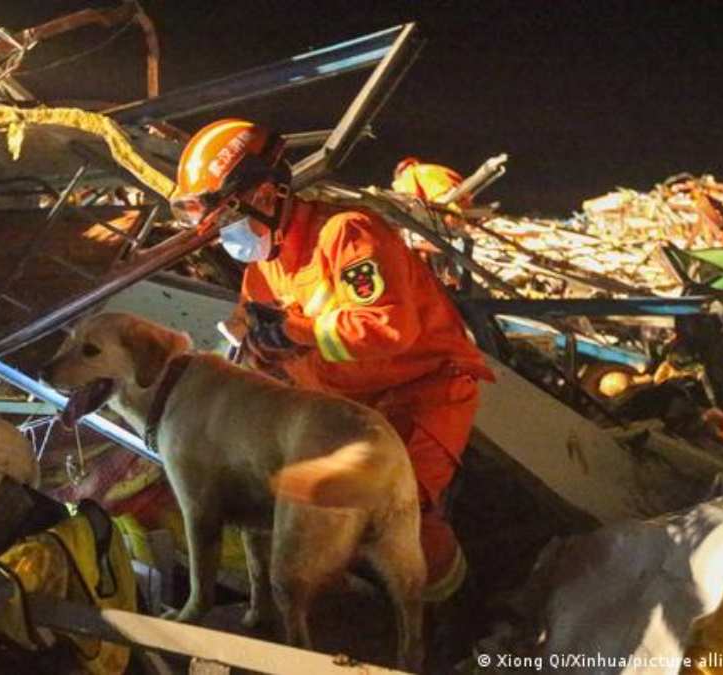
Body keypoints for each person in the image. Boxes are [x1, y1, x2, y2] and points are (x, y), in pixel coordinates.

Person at [170, 119, 494, 604]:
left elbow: (387, 328)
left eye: (229, 219)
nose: (226, 235)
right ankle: (364, 610)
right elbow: (249, 346)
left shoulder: (347, 235)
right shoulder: (263, 270)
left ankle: (459, 615)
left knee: (396, 517)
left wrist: (298, 331)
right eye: (217, 226)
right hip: (348, 412)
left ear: (266, 193)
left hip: (422, 396)